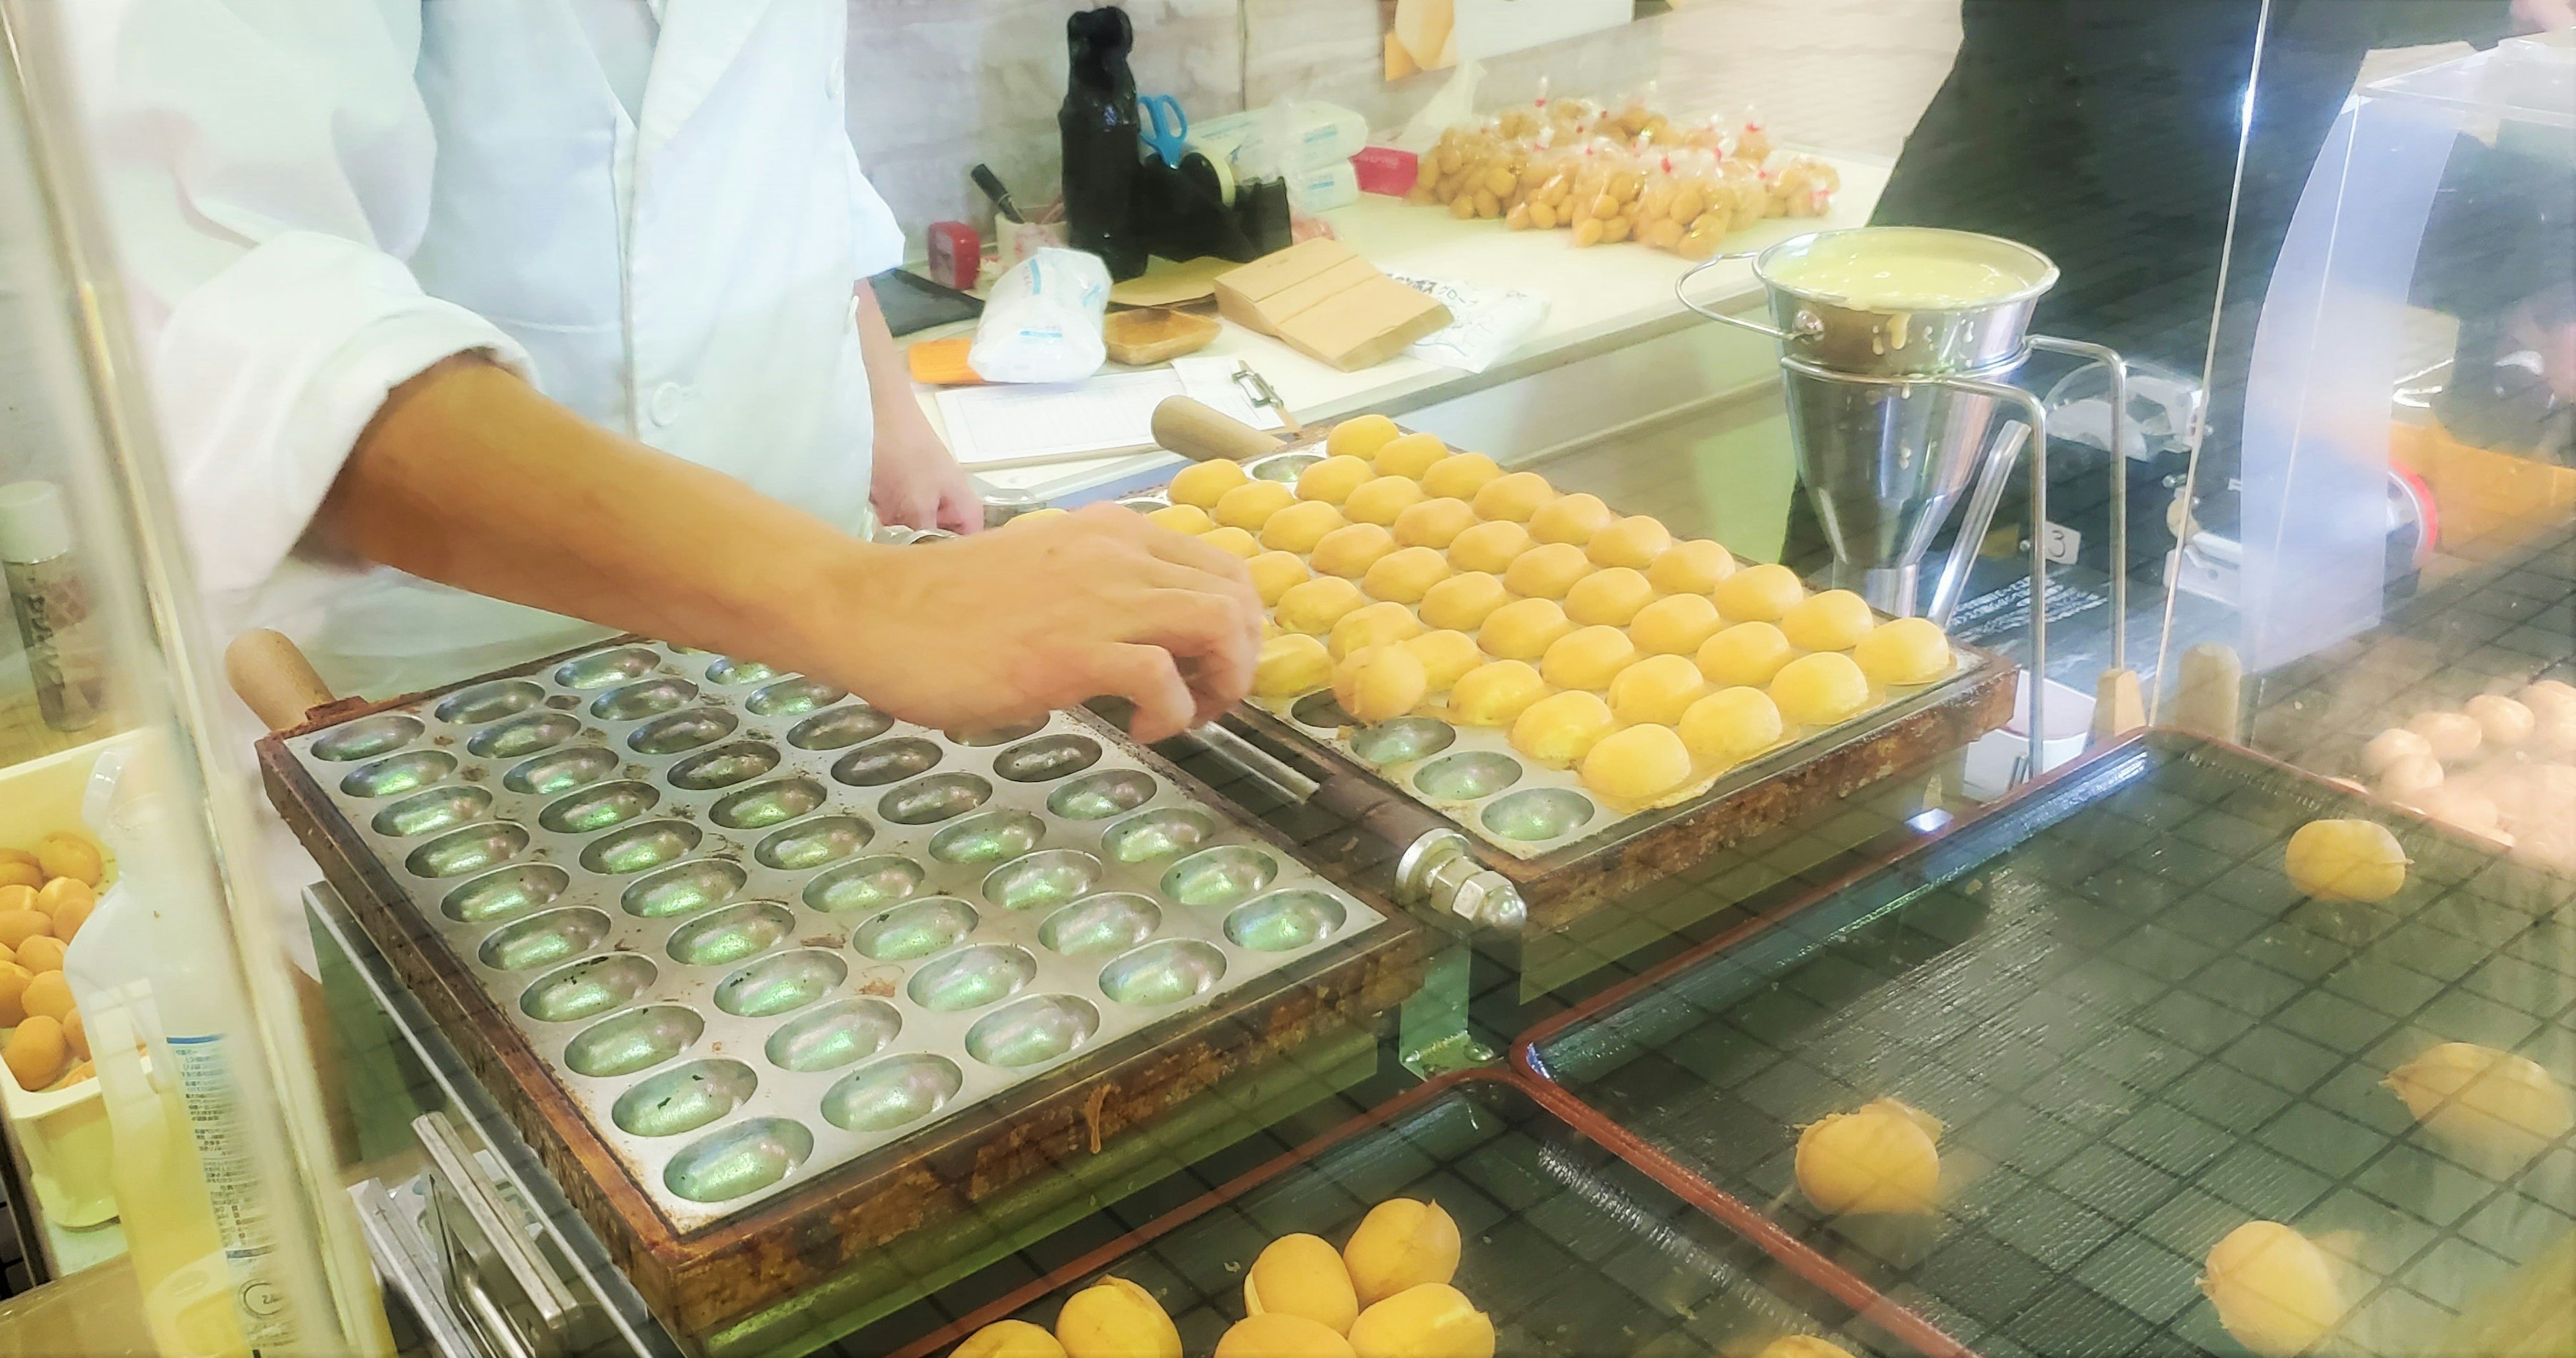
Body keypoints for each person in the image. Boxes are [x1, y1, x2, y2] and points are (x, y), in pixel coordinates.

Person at [66, 0, 1260, 746]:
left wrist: (890, 419)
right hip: (458, 687)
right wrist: (862, 599)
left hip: (817, 668)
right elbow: (265, 334)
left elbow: (780, 136)